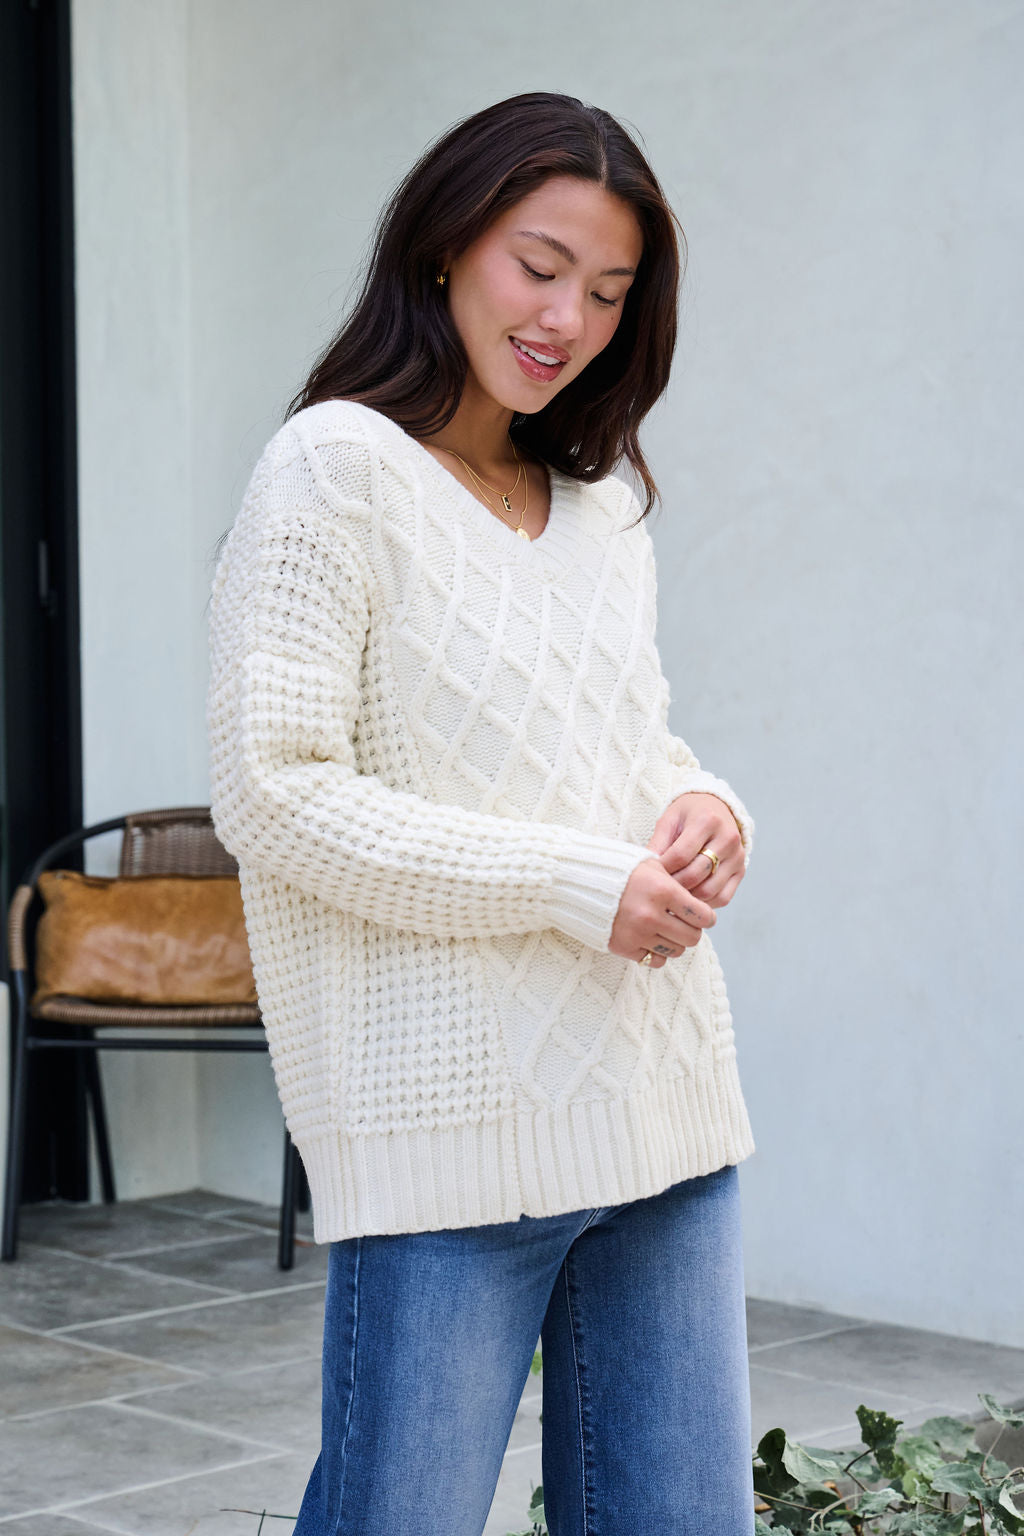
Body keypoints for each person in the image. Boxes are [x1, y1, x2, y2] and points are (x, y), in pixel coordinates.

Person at [206, 91, 757, 1536]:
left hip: (664, 1115)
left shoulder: (601, 508)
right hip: (445, 1139)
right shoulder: (335, 471)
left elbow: (625, 743)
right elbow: (278, 791)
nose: (567, 315)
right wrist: (583, 884)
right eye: (540, 263)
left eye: (609, 291)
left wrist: (702, 805)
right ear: (447, 243)